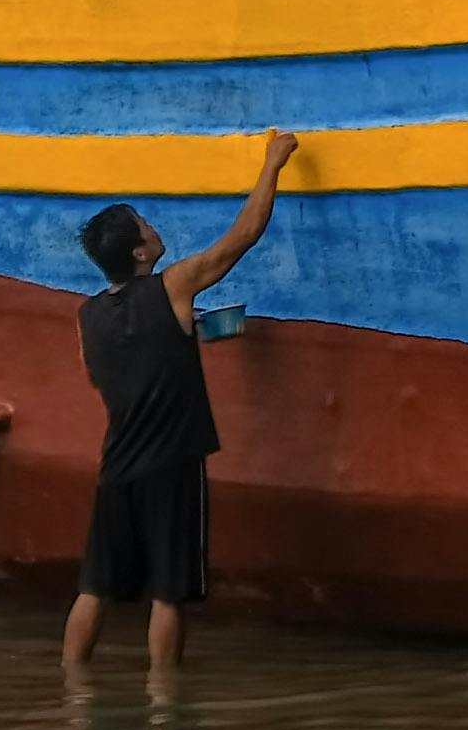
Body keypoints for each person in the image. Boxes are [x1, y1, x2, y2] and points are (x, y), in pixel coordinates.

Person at [61, 132, 298, 675]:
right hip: (172, 466)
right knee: (168, 593)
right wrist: (273, 164)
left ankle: (73, 692)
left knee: (94, 587)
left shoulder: (87, 316)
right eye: (145, 224)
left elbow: (103, 376)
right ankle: (164, 706)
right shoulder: (173, 287)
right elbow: (241, 238)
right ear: (141, 252)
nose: (153, 225)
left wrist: (181, 338)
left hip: (116, 466)